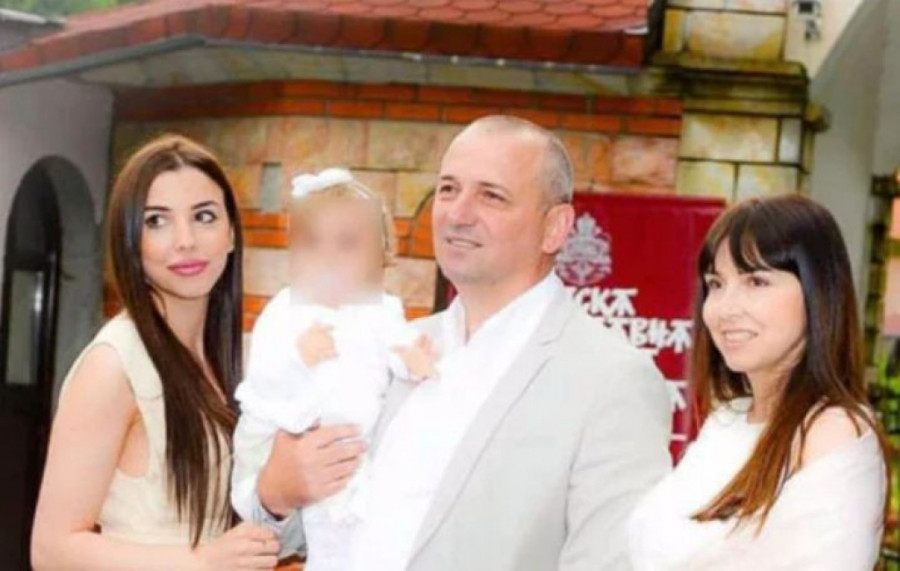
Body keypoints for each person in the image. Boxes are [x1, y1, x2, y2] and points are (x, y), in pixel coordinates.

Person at [246, 115, 673, 570]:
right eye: (449, 189)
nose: (458, 213)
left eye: (491, 195)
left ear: (555, 227)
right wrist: (275, 496)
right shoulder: (398, 348)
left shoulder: (611, 379)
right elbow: (300, 528)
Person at [31, 135, 280, 570]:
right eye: (156, 221)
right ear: (130, 241)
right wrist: (203, 562)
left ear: (231, 234)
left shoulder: (238, 360)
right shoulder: (115, 364)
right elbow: (52, 550)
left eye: (204, 216)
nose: (185, 240)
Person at [628, 195, 888, 570]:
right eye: (716, 283)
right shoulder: (728, 420)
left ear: (817, 293)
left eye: (756, 281)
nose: (726, 308)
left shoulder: (831, 431)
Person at [231, 167, 434, 571]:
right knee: (327, 534)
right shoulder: (287, 310)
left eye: (347, 244)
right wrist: (297, 357)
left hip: (355, 445)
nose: (328, 258)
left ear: (381, 257)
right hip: (287, 431)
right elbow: (263, 378)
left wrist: (412, 359)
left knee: (361, 529)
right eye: (312, 243)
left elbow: (397, 345)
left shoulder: (381, 310)